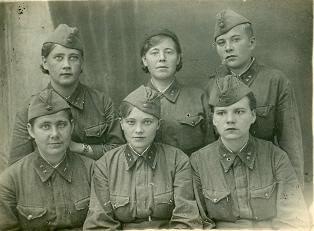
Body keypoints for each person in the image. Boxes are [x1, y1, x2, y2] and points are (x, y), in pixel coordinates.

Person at [191, 75, 310, 229]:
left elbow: (294, 218)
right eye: (221, 113)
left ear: (253, 115)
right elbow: (200, 223)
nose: (230, 120)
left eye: (239, 112)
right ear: (213, 119)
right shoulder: (199, 162)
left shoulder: (275, 157)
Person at [83, 85, 203, 229]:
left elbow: (186, 220)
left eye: (147, 122)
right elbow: (100, 224)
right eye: (131, 122)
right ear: (121, 124)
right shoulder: (105, 165)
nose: (138, 130)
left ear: (158, 124)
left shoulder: (178, 160)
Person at [207, 9, 304, 184]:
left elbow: (291, 146)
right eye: (221, 42)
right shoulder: (212, 86)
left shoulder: (275, 81)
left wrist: (294, 196)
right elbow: (209, 146)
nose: (228, 47)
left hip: (268, 178)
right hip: (225, 181)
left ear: (251, 43)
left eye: (235, 40)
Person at [9, 24, 124, 164]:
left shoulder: (102, 102)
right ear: (45, 62)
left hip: (93, 182)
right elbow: (17, 167)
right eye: (58, 57)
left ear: (82, 63)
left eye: (73, 58)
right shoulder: (28, 109)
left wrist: (80, 148)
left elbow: (120, 152)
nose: (66, 65)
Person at [0, 89, 94, 230]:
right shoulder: (10, 180)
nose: (54, 134)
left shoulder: (92, 171)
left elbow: (102, 225)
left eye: (61, 124)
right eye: (45, 126)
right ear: (31, 131)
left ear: (72, 126)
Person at [139, 28, 215, 156]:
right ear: (145, 60)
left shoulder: (199, 97)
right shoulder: (133, 101)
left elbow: (211, 147)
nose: (162, 58)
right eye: (155, 52)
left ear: (178, 58)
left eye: (169, 52)